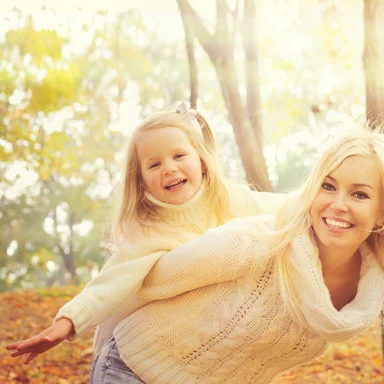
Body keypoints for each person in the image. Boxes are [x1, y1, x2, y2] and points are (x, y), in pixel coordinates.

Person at [86, 127, 384, 384]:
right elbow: (150, 281)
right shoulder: (260, 241)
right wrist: (80, 323)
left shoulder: (367, 294)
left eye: (360, 194)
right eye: (329, 186)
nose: (338, 204)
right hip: (132, 377)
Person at [6, 104, 282, 364]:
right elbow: (109, 285)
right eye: (154, 165)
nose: (169, 168)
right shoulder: (151, 231)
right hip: (122, 361)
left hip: (188, 363)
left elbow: (290, 208)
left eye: (179, 155)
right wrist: (65, 324)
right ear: (142, 181)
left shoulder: (232, 200)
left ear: (202, 161)